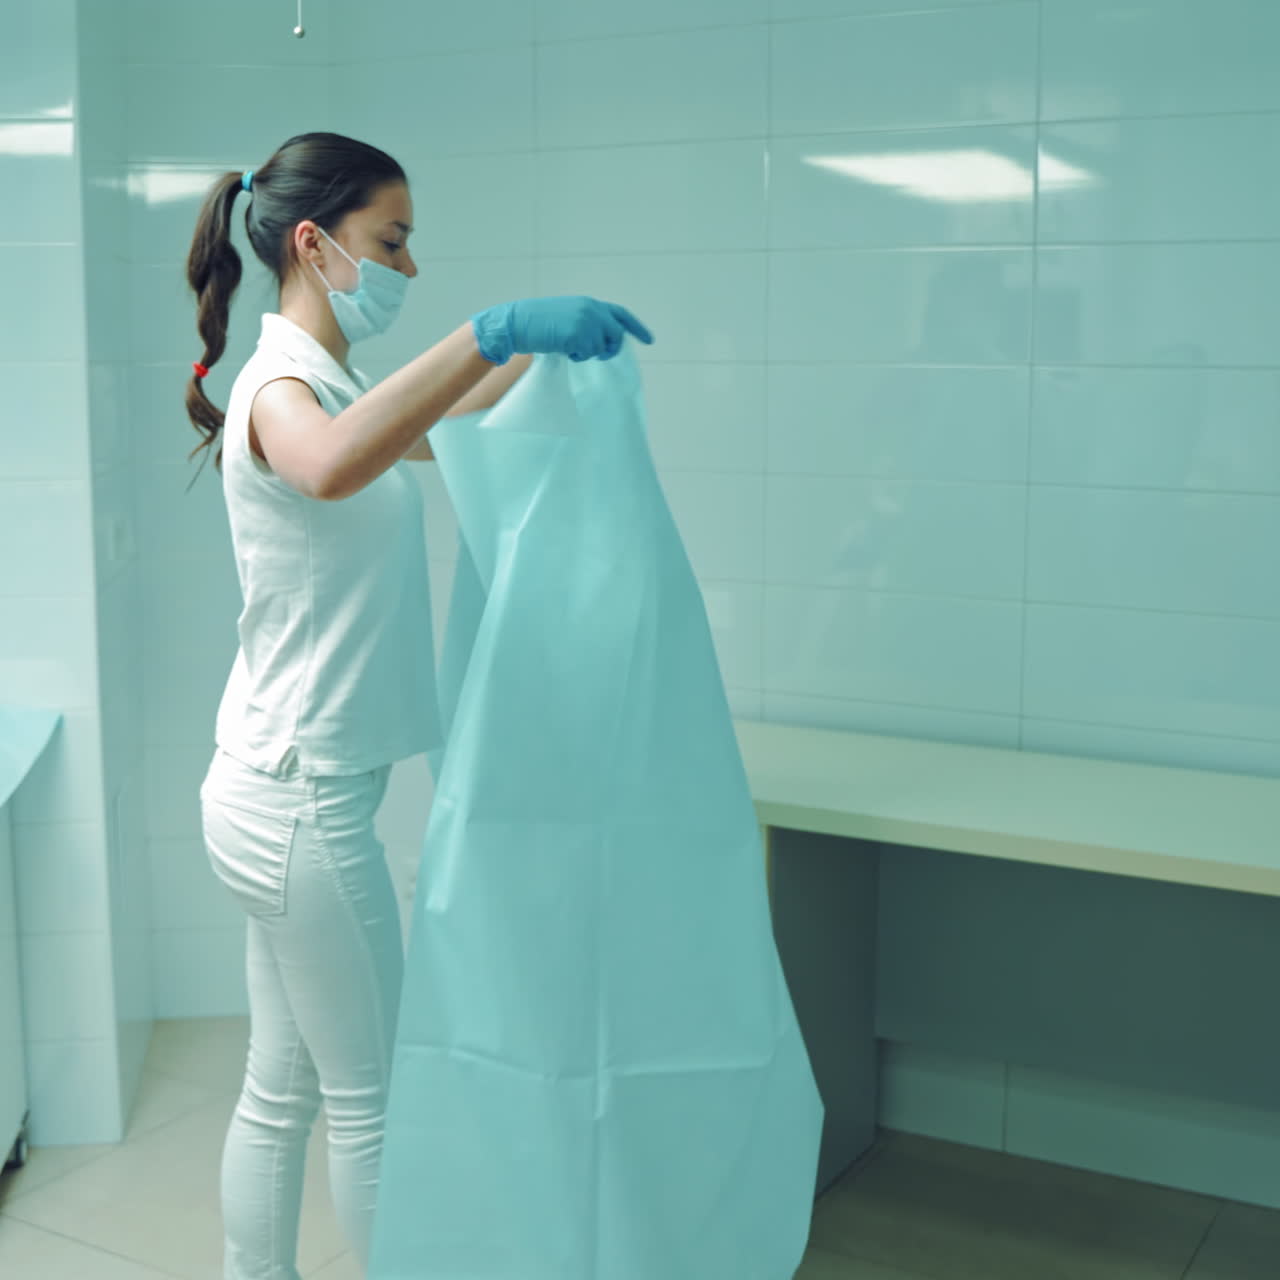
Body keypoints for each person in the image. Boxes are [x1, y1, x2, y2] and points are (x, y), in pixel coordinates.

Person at [185, 130, 653, 1280]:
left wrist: (541, 361)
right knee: (373, 1096)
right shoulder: (280, 388)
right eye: (389, 239)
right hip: (297, 802)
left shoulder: (335, 378)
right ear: (314, 241)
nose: (406, 262)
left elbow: (431, 429)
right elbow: (337, 461)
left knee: (283, 1080)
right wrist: (488, 330)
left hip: (270, 787)